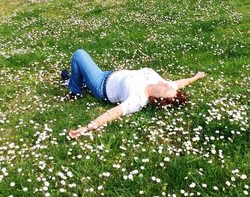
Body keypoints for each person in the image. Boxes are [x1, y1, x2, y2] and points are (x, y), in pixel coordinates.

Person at [61, 49, 206, 139]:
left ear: (158, 99)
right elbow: (180, 83)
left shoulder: (138, 100)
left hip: (101, 84)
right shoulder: (161, 83)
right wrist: (195, 77)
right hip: (109, 73)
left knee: (79, 55)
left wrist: (86, 128)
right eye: (170, 86)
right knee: (81, 67)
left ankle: (75, 90)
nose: (167, 84)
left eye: (167, 89)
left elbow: (114, 113)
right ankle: (75, 79)